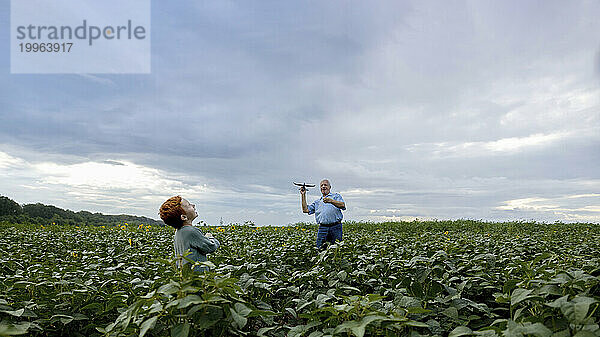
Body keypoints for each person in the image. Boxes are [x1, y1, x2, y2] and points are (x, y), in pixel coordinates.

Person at [159, 196, 220, 272]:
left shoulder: (178, 232)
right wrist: (210, 238)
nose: (193, 205)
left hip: (185, 276)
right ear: (184, 217)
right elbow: (210, 247)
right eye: (189, 205)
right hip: (197, 277)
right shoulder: (191, 231)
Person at [300, 179, 346, 249]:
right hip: (322, 228)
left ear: (330, 187)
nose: (323, 186)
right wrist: (303, 195)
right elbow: (305, 210)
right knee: (320, 248)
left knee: (336, 249)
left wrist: (331, 201)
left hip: (336, 227)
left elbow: (342, 205)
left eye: (325, 185)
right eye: (321, 185)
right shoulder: (317, 202)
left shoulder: (336, 196)